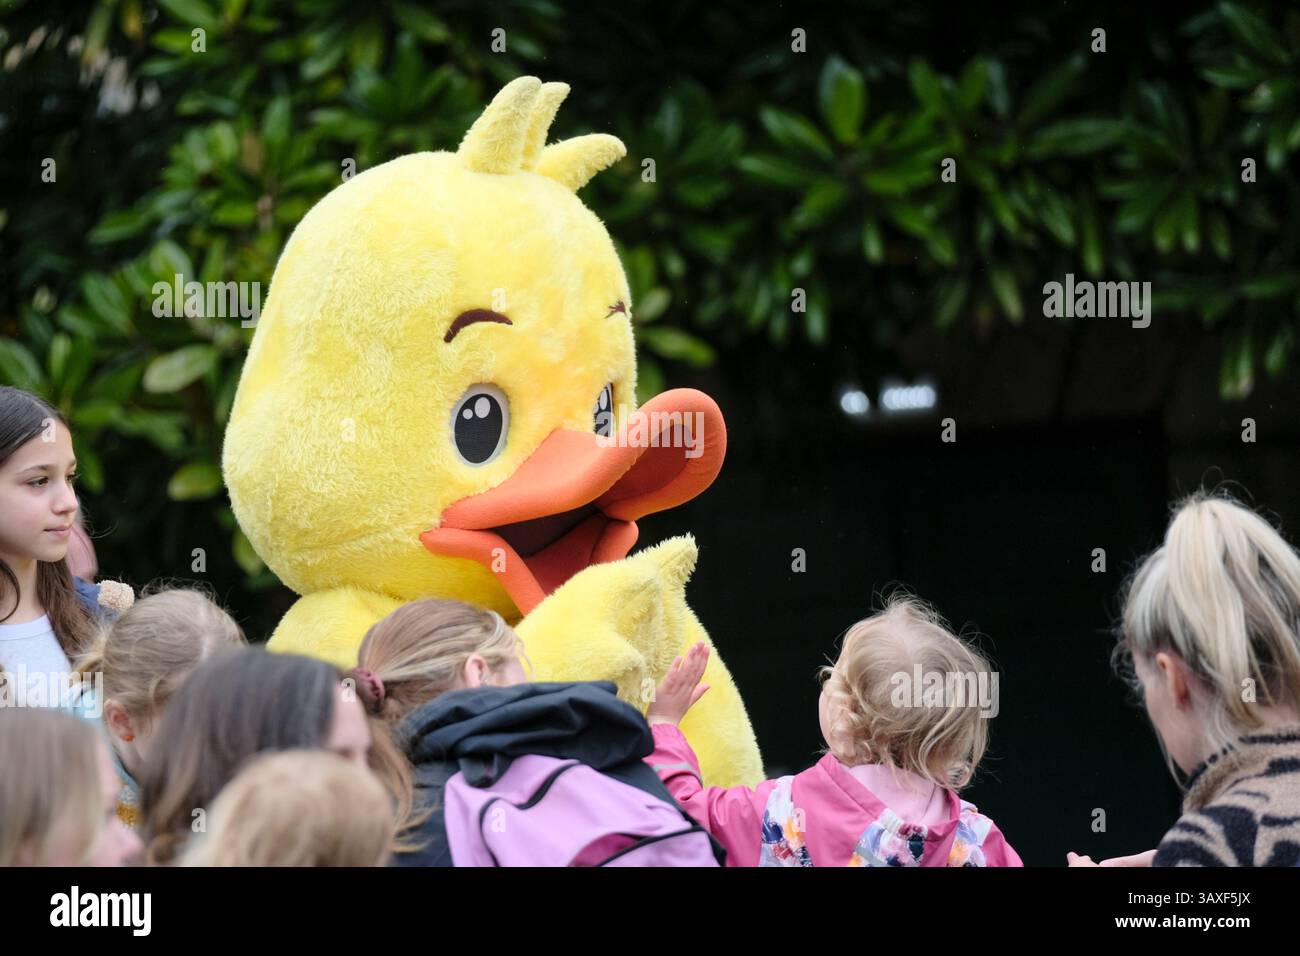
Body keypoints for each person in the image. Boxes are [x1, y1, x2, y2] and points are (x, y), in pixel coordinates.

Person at [648, 594, 1021, 866]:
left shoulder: (783, 814)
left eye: (833, 674)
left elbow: (677, 824)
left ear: (843, 713)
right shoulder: (976, 842)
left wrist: (663, 726)